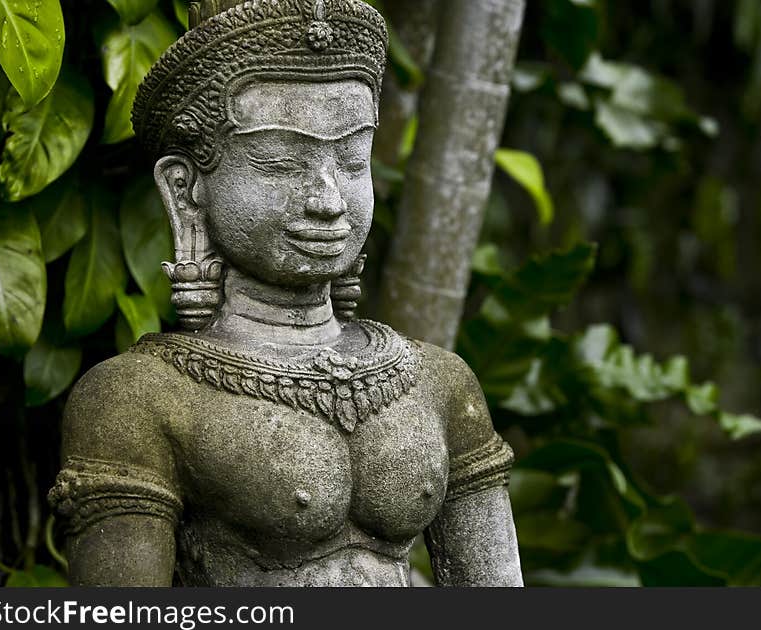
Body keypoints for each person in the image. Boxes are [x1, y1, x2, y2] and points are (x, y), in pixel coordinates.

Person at [49, 0, 522, 587]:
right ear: (186, 188)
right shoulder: (140, 399)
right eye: (279, 162)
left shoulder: (439, 383)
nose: (329, 200)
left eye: (352, 160)